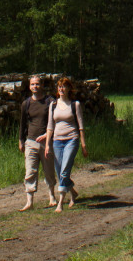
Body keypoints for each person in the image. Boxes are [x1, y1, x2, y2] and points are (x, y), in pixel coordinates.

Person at [45, 76, 88, 212]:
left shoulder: (75, 105)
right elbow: (50, 126)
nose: (61, 89)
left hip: (71, 140)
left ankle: (60, 202)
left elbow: (81, 127)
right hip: (57, 141)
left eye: (64, 86)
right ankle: (73, 193)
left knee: (64, 171)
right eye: (59, 86)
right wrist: (47, 145)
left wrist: (83, 145)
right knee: (60, 173)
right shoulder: (53, 105)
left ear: (69, 88)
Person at [17, 75, 57, 211]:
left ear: (42, 85)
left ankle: (52, 197)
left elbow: (55, 121)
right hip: (31, 141)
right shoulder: (26, 104)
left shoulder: (49, 101)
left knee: (49, 171)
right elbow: (23, 123)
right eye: (33, 84)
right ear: (29, 87)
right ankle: (29, 202)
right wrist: (21, 140)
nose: (35, 86)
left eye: (37, 84)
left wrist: (48, 136)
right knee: (30, 171)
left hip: (47, 142)